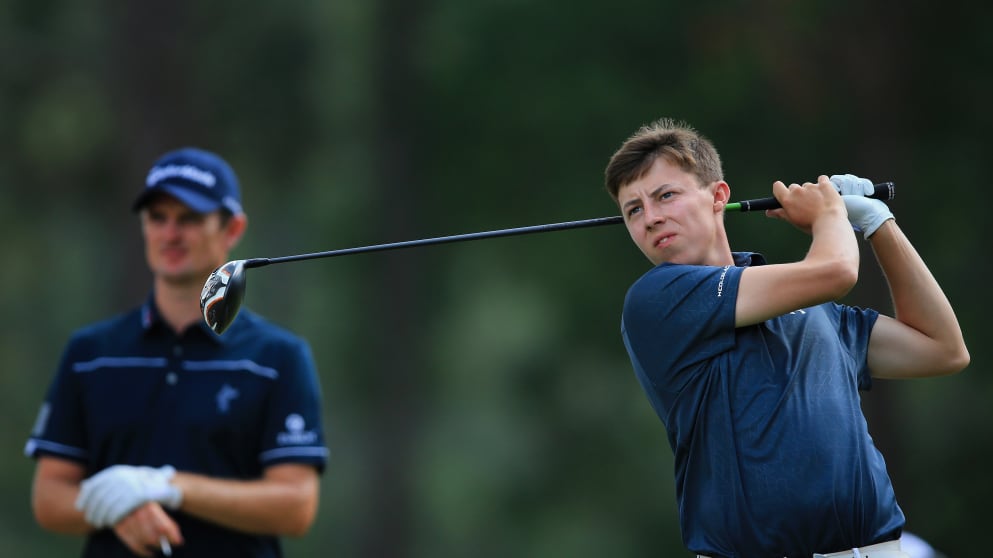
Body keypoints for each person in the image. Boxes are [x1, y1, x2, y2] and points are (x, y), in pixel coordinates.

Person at [603, 118, 969, 558]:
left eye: (666, 195)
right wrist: (831, 214)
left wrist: (878, 223)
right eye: (634, 210)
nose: (652, 217)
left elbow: (942, 349)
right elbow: (836, 271)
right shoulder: (657, 299)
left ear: (718, 197)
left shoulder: (814, 309)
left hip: (879, 549)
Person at [25, 147, 329, 557]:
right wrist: (121, 507)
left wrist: (166, 486)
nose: (170, 234)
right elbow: (49, 499)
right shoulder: (91, 353)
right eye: (157, 218)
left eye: (189, 219)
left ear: (233, 229)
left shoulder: (278, 357)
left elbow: (295, 507)